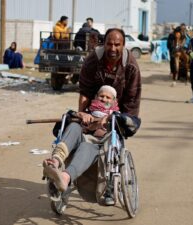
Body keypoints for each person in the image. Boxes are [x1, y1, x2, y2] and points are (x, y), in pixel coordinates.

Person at [43, 28, 141, 206]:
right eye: (109, 43)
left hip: (106, 130)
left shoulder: (131, 66)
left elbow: (132, 101)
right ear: (104, 44)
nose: (113, 48)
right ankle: (55, 162)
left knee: (89, 146)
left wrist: (118, 120)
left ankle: (65, 178)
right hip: (88, 123)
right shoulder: (92, 60)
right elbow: (85, 90)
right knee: (73, 125)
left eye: (117, 44)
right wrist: (82, 114)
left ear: (124, 45)